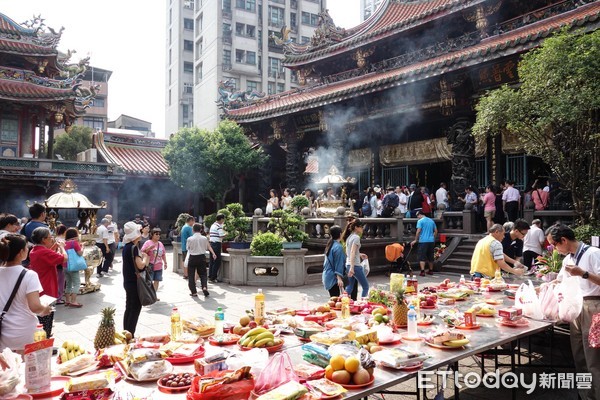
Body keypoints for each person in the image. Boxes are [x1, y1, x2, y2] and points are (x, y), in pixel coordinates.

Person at [548, 224, 600, 400]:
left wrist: (584, 274)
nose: (554, 249)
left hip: (594, 307)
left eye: (554, 245)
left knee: (593, 358)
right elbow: (562, 280)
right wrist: (548, 286)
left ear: (563, 240)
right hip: (576, 307)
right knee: (579, 355)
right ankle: (585, 395)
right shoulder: (567, 259)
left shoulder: (593, 253)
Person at [0, 234, 52, 352]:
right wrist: (46, 308)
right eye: (26, 248)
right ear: (20, 253)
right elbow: (35, 307)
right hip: (24, 331)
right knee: (27, 368)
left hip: (2, 332)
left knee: (7, 369)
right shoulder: (29, 275)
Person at [29, 227, 67, 338]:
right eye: (50, 237)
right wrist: (61, 247)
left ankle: (44, 340)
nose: (52, 239)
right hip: (47, 288)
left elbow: (49, 253)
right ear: (43, 239)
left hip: (40, 287)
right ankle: (45, 342)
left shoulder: (35, 250)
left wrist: (55, 246)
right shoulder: (43, 252)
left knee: (42, 318)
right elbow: (64, 258)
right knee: (46, 318)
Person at [121, 221, 149, 337]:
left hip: (128, 281)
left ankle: (126, 332)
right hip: (135, 282)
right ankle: (130, 334)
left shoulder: (126, 247)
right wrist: (146, 258)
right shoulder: (134, 247)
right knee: (135, 308)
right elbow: (140, 265)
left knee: (129, 307)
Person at [186, 223, 217, 297]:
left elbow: (188, 248)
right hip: (202, 257)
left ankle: (194, 292)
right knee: (203, 274)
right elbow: (209, 247)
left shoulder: (190, 239)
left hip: (193, 257)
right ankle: (204, 287)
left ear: (193, 230)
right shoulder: (204, 238)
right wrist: (213, 253)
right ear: (200, 230)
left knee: (191, 275)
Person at [343, 219, 369, 298]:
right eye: (361, 227)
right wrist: (352, 267)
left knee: (349, 287)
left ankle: (343, 302)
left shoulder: (349, 237)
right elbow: (352, 252)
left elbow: (350, 251)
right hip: (355, 266)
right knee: (366, 287)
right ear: (356, 227)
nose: (362, 229)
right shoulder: (356, 238)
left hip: (348, 264)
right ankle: (363, 304)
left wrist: (359, 254)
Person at [410, 210, 438, 276]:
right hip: (431, 241)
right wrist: (433, 238)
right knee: (430, 256)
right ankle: (431, 270)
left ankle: (422, 271)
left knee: (422, 256)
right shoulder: (431, 221)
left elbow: (418, 231)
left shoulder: (420, 221)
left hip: (423, 241)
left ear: (420, 214)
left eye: (418, 216)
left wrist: (415, 240)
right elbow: (436, 231)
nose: (418, 218)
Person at [141, 228, 167, 296]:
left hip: (159, 266)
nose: (158, 235)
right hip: (150, 265)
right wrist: (149, 248)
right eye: (156, 234)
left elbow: (163, 254)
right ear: (152, 235)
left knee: (157, 281)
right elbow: (142, 252)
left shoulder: (160, 243)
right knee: (149, 281)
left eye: (159, 234)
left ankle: (154, 295)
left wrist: (165, 262)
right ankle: (148, 295)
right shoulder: (148, 242)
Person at [322, 225, 346, 297]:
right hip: (333, 277)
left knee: (333, 299)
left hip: (327, 275)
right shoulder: (338, 247)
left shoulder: (330, 245)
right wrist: (339, 278)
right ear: (340, 234)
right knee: (335, 301)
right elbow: (339, 263)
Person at [63, 228, 83, 308]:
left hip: (65, 266)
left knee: (68, 284)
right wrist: (83, 247)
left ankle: (67, 300)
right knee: (77, 284)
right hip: (73, 266)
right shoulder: (74, 242)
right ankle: (74, 301)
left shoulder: (64, 243)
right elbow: (80, 253)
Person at [208, 214, 226, 283]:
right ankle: (213, 277)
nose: (223, 221)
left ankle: (210, 276)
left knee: (212, 261)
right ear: (221, 219)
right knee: (217, 261)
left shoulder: (213, 225)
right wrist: (226, 234)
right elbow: (221, 236)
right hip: (216, 244)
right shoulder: (218, 227)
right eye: (223, 219)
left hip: (212, 244)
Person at [54, 225, 67, 305]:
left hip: (55, 262)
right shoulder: (63, 241)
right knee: (61, 281)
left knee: (57, 280)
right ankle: (59, 298)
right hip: (61, 262)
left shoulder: (55, 239)